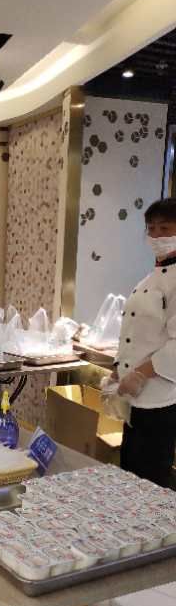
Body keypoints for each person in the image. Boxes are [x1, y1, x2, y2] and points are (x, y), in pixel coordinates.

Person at [115, 198, 176, 487]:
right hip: (135, 396)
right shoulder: (150, 277)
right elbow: (133, 331)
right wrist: (117, 368)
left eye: (165, 228)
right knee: (128, 473)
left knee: (149, 481)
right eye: (151, 228)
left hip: (160, 397)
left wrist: (139, 374)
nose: (156, 235)